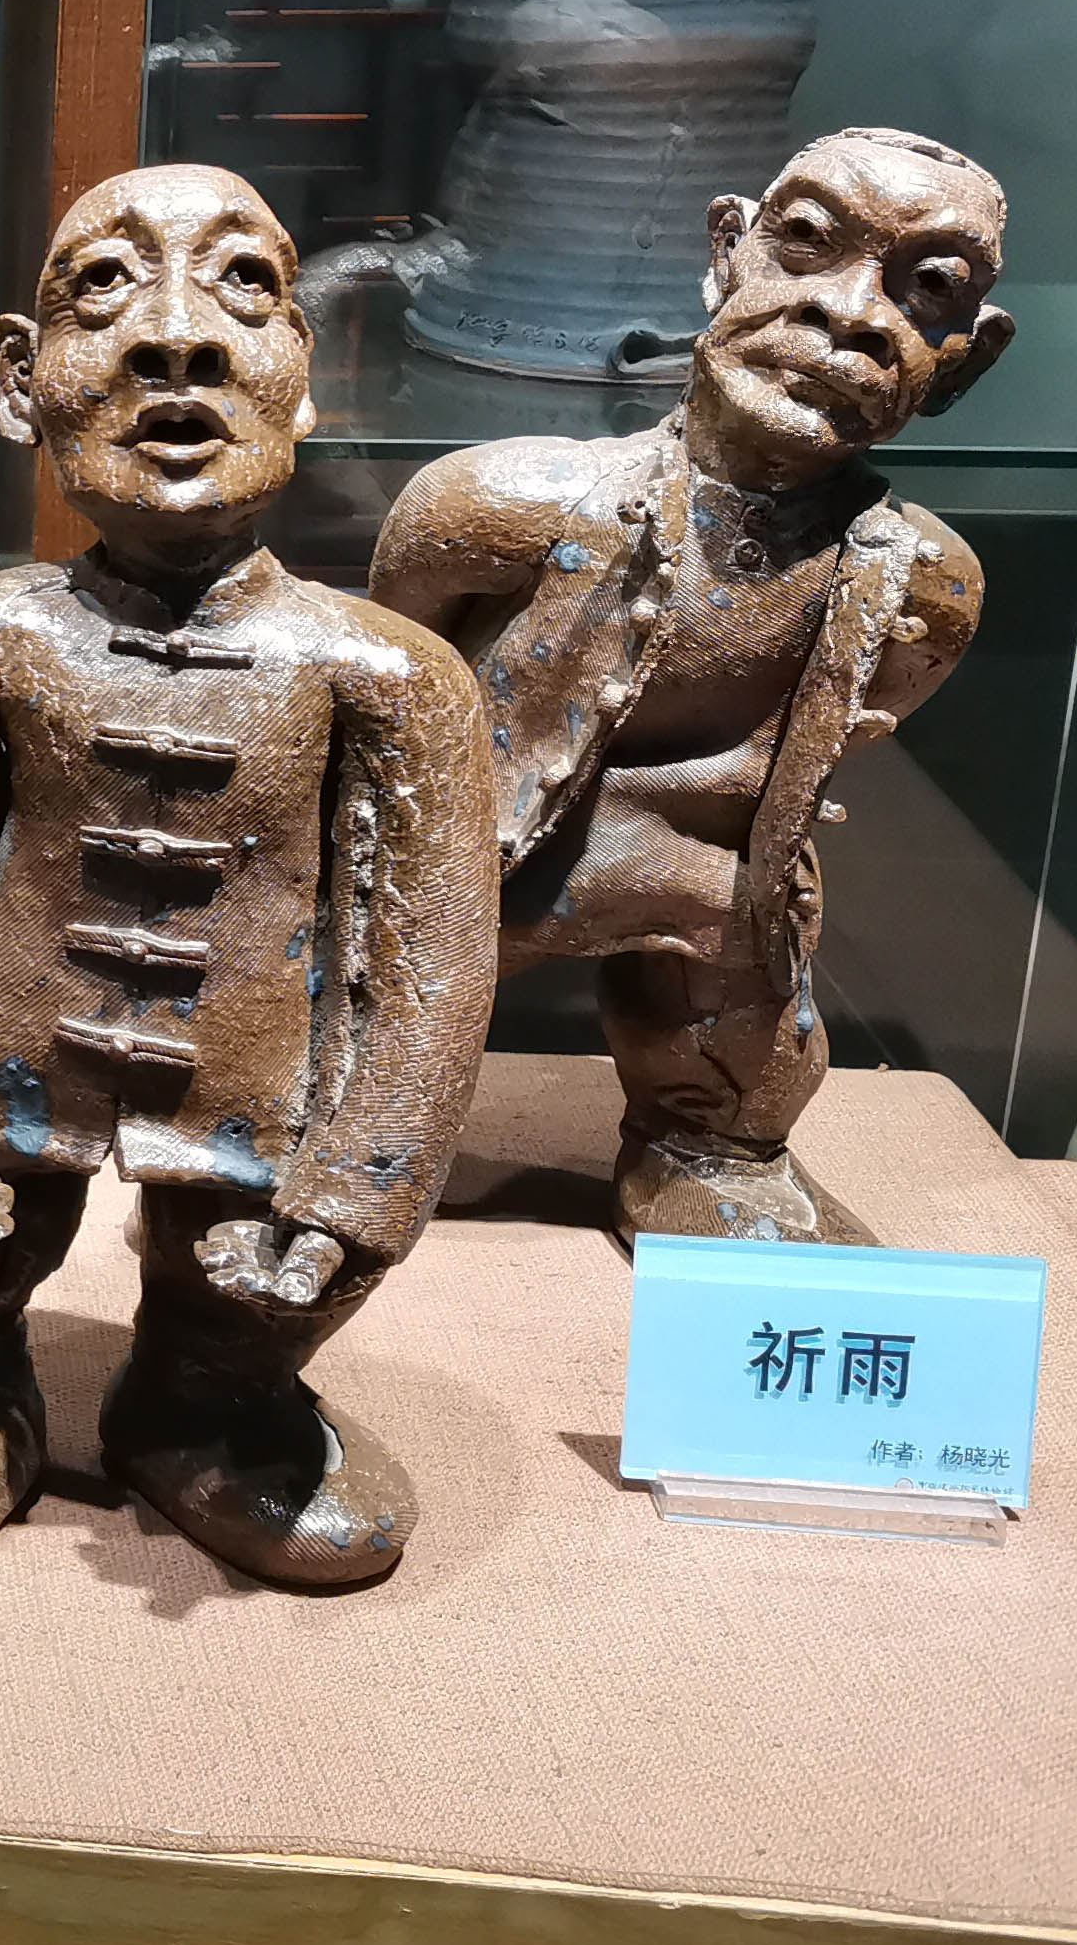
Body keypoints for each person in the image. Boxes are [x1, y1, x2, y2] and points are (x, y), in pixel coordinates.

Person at [0, 164, 493, 1587]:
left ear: (304, 375)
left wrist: (361, 1184)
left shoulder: (393, 675)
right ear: (18, 378)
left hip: (260, 1100)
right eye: (102, 288)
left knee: (270, 1281)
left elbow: (428, 966)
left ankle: (208, 1398)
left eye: (245, 288)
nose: (178, 337)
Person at [369, 129, 1007, 1243]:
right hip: (455, 880)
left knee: (743, 1090)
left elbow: (839, 740)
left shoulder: (923, 585)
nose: (851, 313)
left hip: (721, 911)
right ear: (727, 252)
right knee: (344, 1058)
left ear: (966, 356)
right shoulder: (500, 504)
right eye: (807, 240)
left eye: (929, 287)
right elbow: (391, 696)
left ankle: (700, 1144)